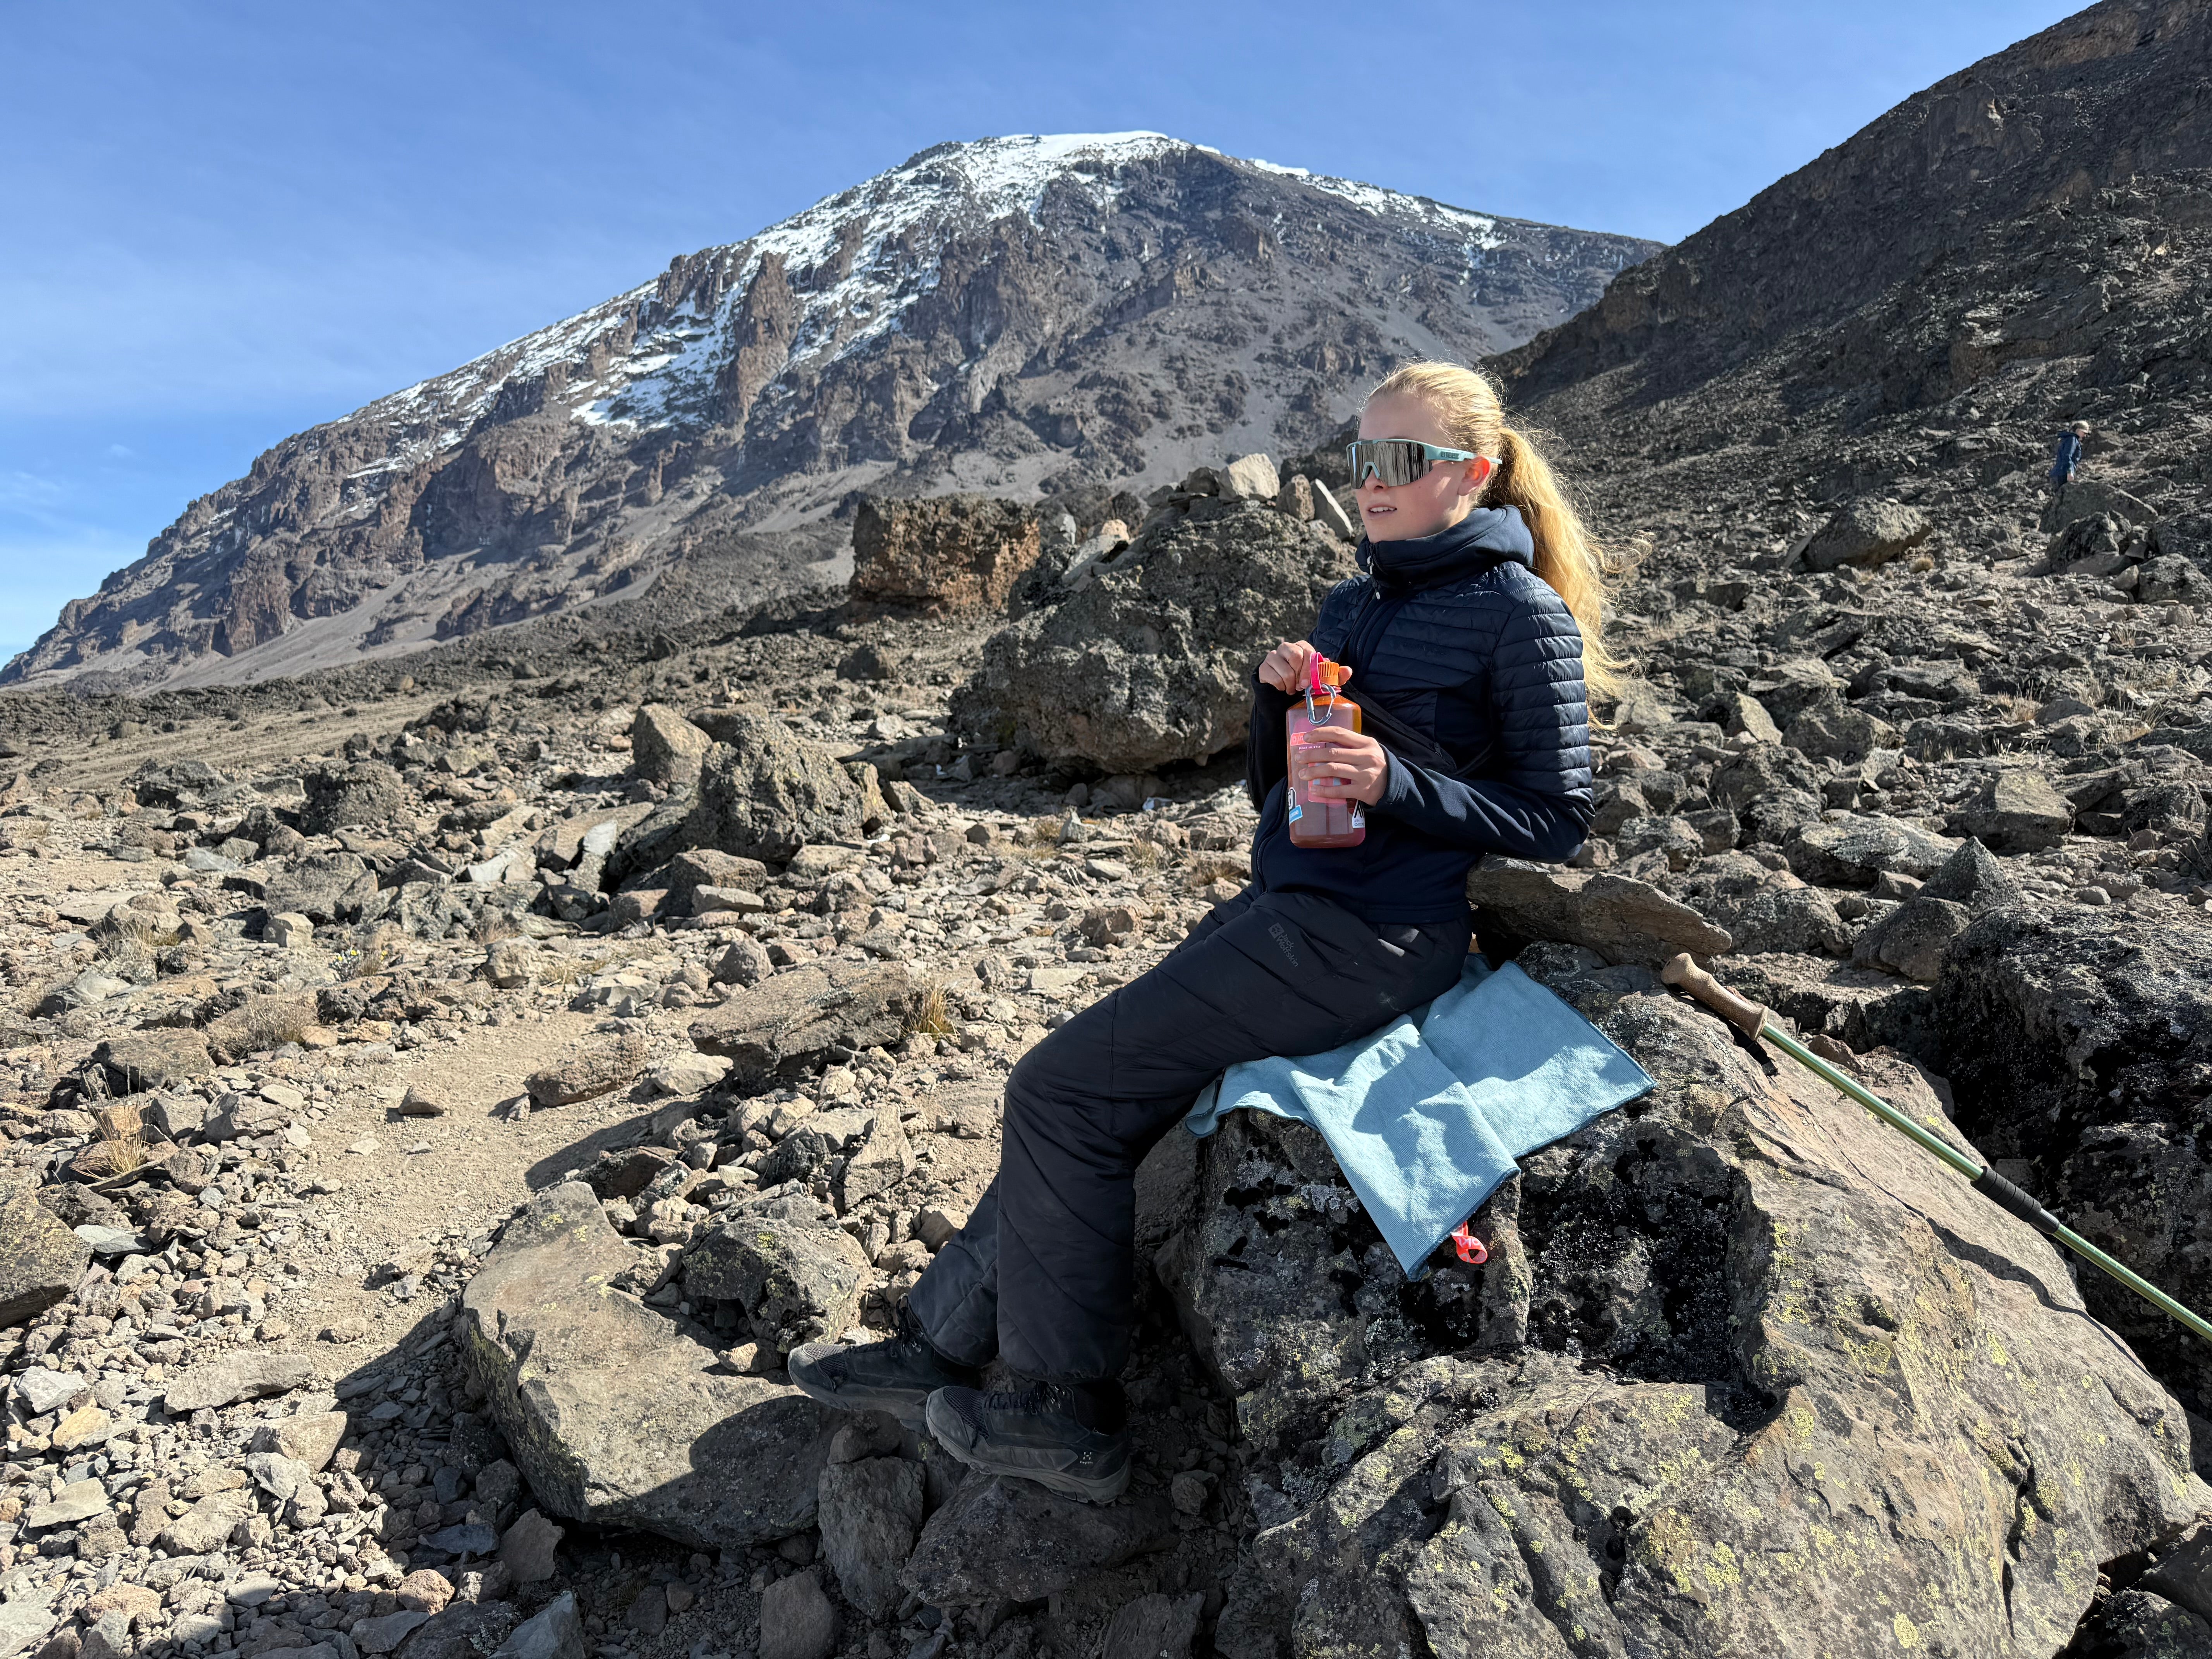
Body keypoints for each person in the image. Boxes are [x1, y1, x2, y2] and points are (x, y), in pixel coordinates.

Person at [788, 360, 1620, 1502]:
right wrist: (1273, 704)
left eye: (1400, 461)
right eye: (1358, 458)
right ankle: (940, 1338)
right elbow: (1270, 798)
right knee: (1101, 1085)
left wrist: (1395, 782)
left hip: (1375, 935)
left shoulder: (1515, 614)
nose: (1369, 482)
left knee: (1058, 1088)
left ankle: (1059, 1409)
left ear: (1471, 476)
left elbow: (1556, 819)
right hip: (1292, 908)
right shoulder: (1355, 602)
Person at [2050, 420, 2090, 504]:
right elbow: (2068, 456)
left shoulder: (2067, 439)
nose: (2085, 435)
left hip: (2057, 474)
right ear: (2078, 430)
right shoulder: (2073, 440)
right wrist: (2070, 472)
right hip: (2063, 474)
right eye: (2084, 433)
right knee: (2064, 502)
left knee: (2060, 502)